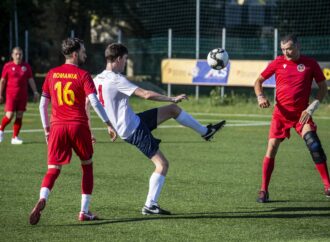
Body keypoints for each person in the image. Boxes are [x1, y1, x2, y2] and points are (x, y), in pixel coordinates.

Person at [93, 43, 226, 215]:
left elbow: (91, 103)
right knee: (162, 165)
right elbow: (146, 94)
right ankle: (150, 205)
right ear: (118, 59)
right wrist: (172, 97)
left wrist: (108, 124)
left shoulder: (97, 79)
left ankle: (206, 132)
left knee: (173, 110)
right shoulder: (117, 79)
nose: (125, 63)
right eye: (125, 59)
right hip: (132, 129)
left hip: (132, 121)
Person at [29, 38, 117, 225]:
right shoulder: (83, 75)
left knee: (53, 169)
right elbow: (94, 102)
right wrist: (108, 123)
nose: (85, 54)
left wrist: (46, 130)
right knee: (87, 165)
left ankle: (43, 196)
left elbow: (43, 105)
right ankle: (84, 211)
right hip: (78, 126)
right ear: (75, 54)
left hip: (57, 127)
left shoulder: (52, 74)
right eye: (83, 51)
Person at [254, 34, 330, 203]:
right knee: (272, 148)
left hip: (301, 115)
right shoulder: (277, 62)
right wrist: (260, 97)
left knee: (314, 144)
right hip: (280, 115)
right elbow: (258, 81)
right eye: (283, 49)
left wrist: (312, 107)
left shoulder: (310, 63)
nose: (286, 52)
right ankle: (264, 190)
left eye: (289, 48)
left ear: (298, 46)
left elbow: (323, 87)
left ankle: (328, 186)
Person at [0, 47, 39, 144]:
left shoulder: (26, 67)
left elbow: (30, 79)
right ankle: (1, 130)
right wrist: (0, 94)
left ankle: (15, 137)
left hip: (22, 96)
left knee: (20, 115)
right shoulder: (7, 66)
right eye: (16, 54)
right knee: (9, 115)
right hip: (11, 95)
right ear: (12, 55)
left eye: (20, 54)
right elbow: (3, 81)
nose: (18, 56)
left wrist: (35, 92)